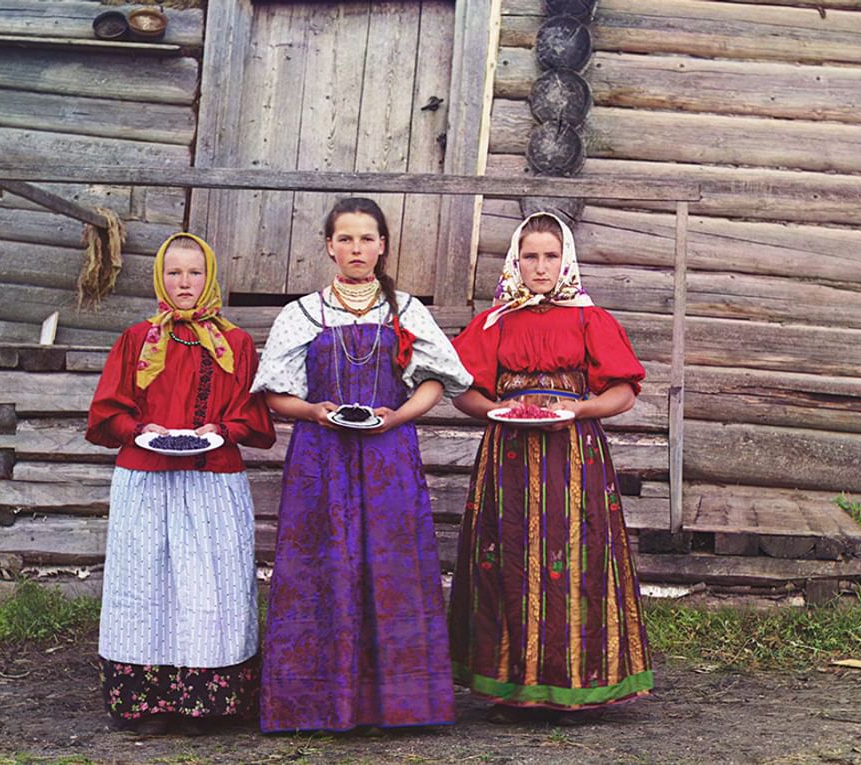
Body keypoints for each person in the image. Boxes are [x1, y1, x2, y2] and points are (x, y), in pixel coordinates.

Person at [253, 197, 473, 733]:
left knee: (390, 567)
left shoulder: (407, 312)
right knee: (322, 566)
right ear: (329, 246)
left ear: (383, 245)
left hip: (388, 458)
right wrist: (313, 411)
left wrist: (396, 418)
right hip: (320, 460)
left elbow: (436, 382)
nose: (356, 248)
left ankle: (396, 706)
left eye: (366, 238)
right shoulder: (301, 313)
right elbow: (275, 394)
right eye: (345, 238)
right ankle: (317, 705)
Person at [448, 212, 653, 723]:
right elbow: (463, 391)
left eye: (551, 256)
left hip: (572, 456)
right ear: (516, 260)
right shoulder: (495, 321)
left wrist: (578, 409)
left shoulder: (589, 318)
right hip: (509, 456)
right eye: (531, 256)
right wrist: (497, 411)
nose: (540, 267)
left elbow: (623, 392)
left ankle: (573, 685)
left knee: (574, 560)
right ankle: (510, 686)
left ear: (567, 260)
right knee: (509, 557)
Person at [86, 232, 275, 735]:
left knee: (209, 588)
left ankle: (204, 703)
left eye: (194, 272)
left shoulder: (234, 343)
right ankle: (148, 704)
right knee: (145, 587)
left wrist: (221, 430)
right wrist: (139, 429)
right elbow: (108, 411)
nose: (184, 282)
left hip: (212, 483)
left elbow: (253, 418)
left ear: (209, 276)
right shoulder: (136, 339)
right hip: (145, 482)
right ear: (160, 279)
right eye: (174, 273)